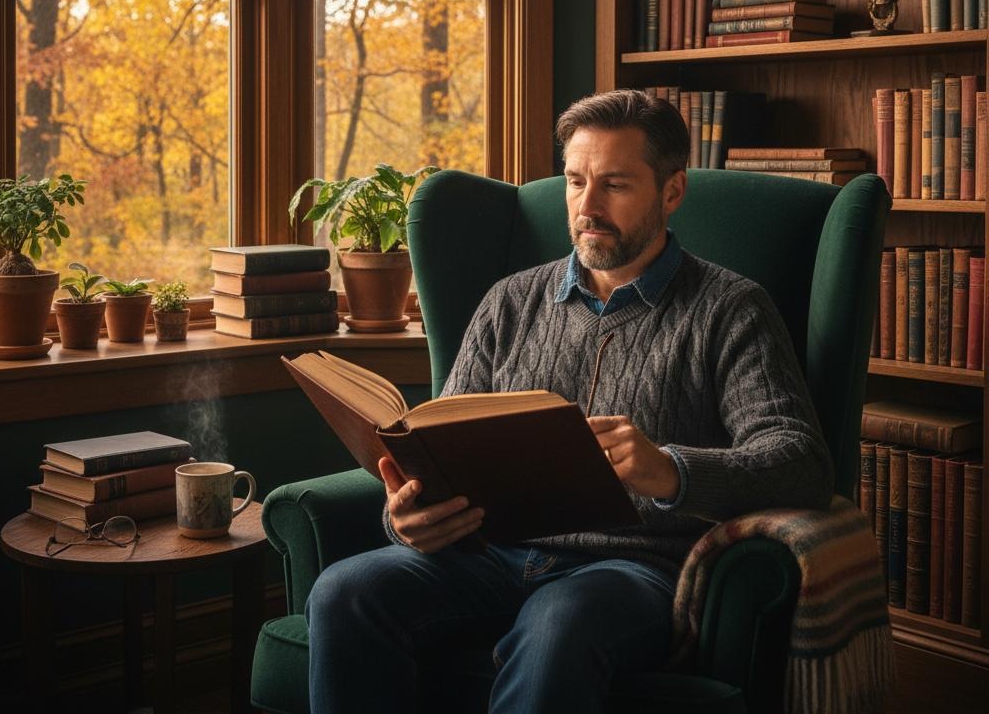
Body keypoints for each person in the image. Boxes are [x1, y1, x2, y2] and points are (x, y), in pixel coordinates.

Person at [306, 89, 833, 713]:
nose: (588, 207)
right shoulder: (510, 301)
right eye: (575, 181)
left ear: (672, 192)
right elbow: (437, 442)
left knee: (560, 625)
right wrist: (407, 516)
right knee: (344, 590)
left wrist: (671, 470)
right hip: (488, 557)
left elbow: (801, 461)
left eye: (614, 185)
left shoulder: (730, 310)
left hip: (630, 572)